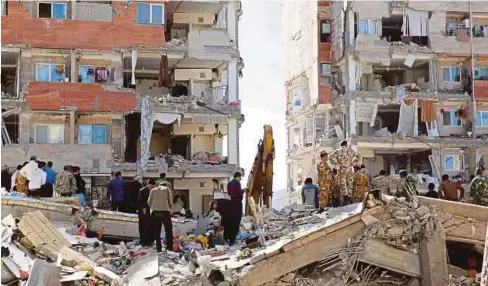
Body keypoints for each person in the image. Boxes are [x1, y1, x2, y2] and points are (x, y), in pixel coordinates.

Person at [329, 141, 360, 205]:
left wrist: (336, 165)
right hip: (349, 169)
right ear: (346, 144)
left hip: (342, 170)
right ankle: (349, 198)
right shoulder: (351, 151)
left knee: (344, 184)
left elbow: (330, 157)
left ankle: (346, 198)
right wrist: (353, 163)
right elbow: (357, 156)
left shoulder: (337, 151)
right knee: (350, 183)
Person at [147, 181, 173, 252]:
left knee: (157, 231)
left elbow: (149, 202)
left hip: (155, 213)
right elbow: (170, 200)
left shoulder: (153, 190)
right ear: (165, 185)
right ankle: (169, 247)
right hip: (165, 212)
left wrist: (154, 207)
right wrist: (171, 209)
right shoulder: (167, 189)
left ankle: (159, 248)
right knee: (168, 230)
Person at [226, 172, 244, 245]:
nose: (240, 179)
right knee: (237, 219)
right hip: (237, 202)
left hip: (232, 202)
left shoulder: (229, 183)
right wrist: (244, 190)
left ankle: (230, 238)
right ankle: (233, 238)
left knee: (233, 219)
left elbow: (229, 193)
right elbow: (239, 193)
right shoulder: (237, 183)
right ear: (238, 176)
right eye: (240, 177)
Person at [138, 179, 156, 247]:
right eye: (151, 186)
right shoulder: (142, 191)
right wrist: (143, 208)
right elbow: (140, 202)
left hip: (152, 211)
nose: (152, 188)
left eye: (153, 186)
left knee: (151, 226)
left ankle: (151, 241)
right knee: (143, 226)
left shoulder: (155, 191)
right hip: (144, 211)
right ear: (148, 185)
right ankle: (143, 241)